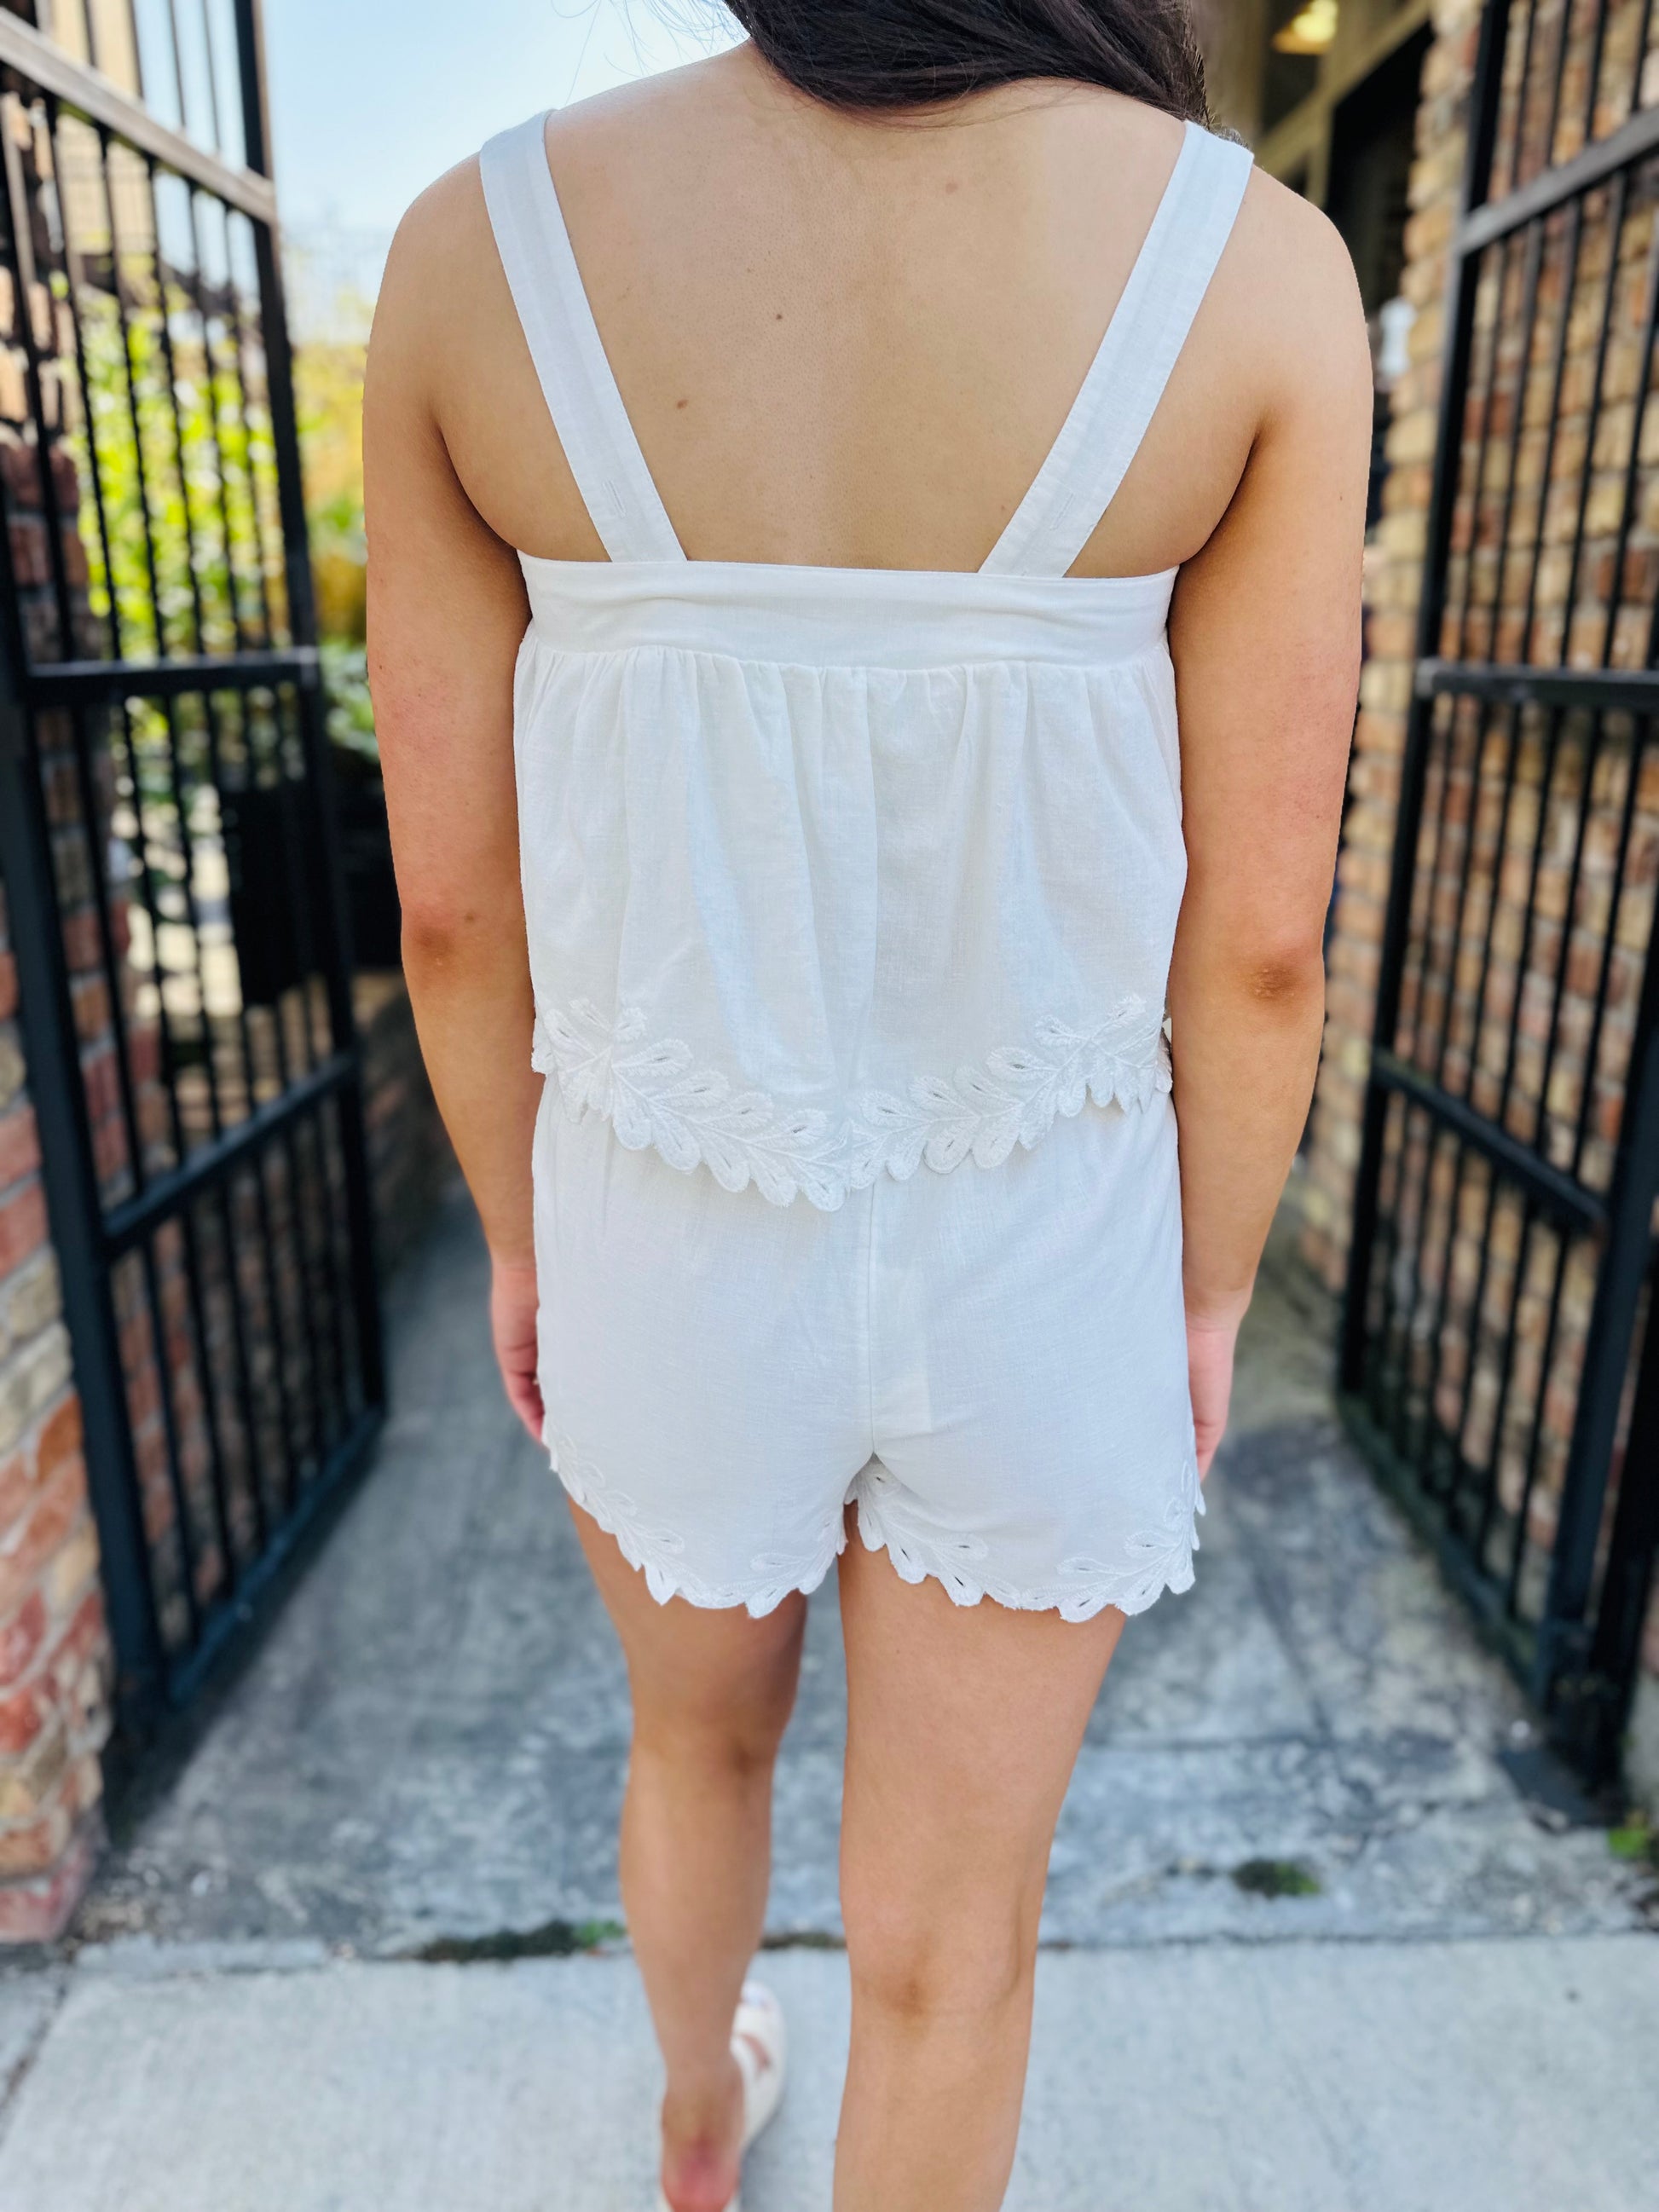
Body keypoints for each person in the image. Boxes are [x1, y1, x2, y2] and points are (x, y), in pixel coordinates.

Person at [363, 4, 1369, 2205]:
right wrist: (1205, 1290)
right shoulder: (1261, 268)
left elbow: (449, 907)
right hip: (1049, 1230)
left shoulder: (469, 251)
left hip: (663, 1201)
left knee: (692, 1739)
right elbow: (1261, 943)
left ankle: (695, 2107)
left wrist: (523, 1234)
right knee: (948, 1948)